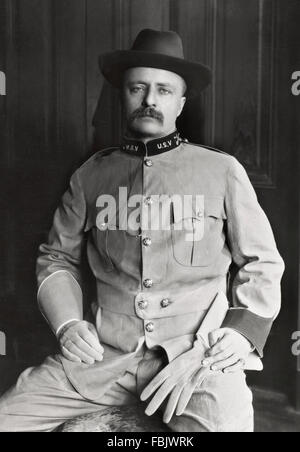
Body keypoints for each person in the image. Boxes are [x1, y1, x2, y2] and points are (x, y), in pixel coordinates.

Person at [0, 29, 284, 432]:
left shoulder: (222, 172)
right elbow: (56, 256)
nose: (150, 100)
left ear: (181, 103)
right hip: (101, 361)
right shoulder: (91, 176)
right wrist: (67, 324)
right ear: (124, 95)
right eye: (138, 88)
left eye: (164, 91)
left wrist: (239, 335)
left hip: (195, 359)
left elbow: (262, 261)